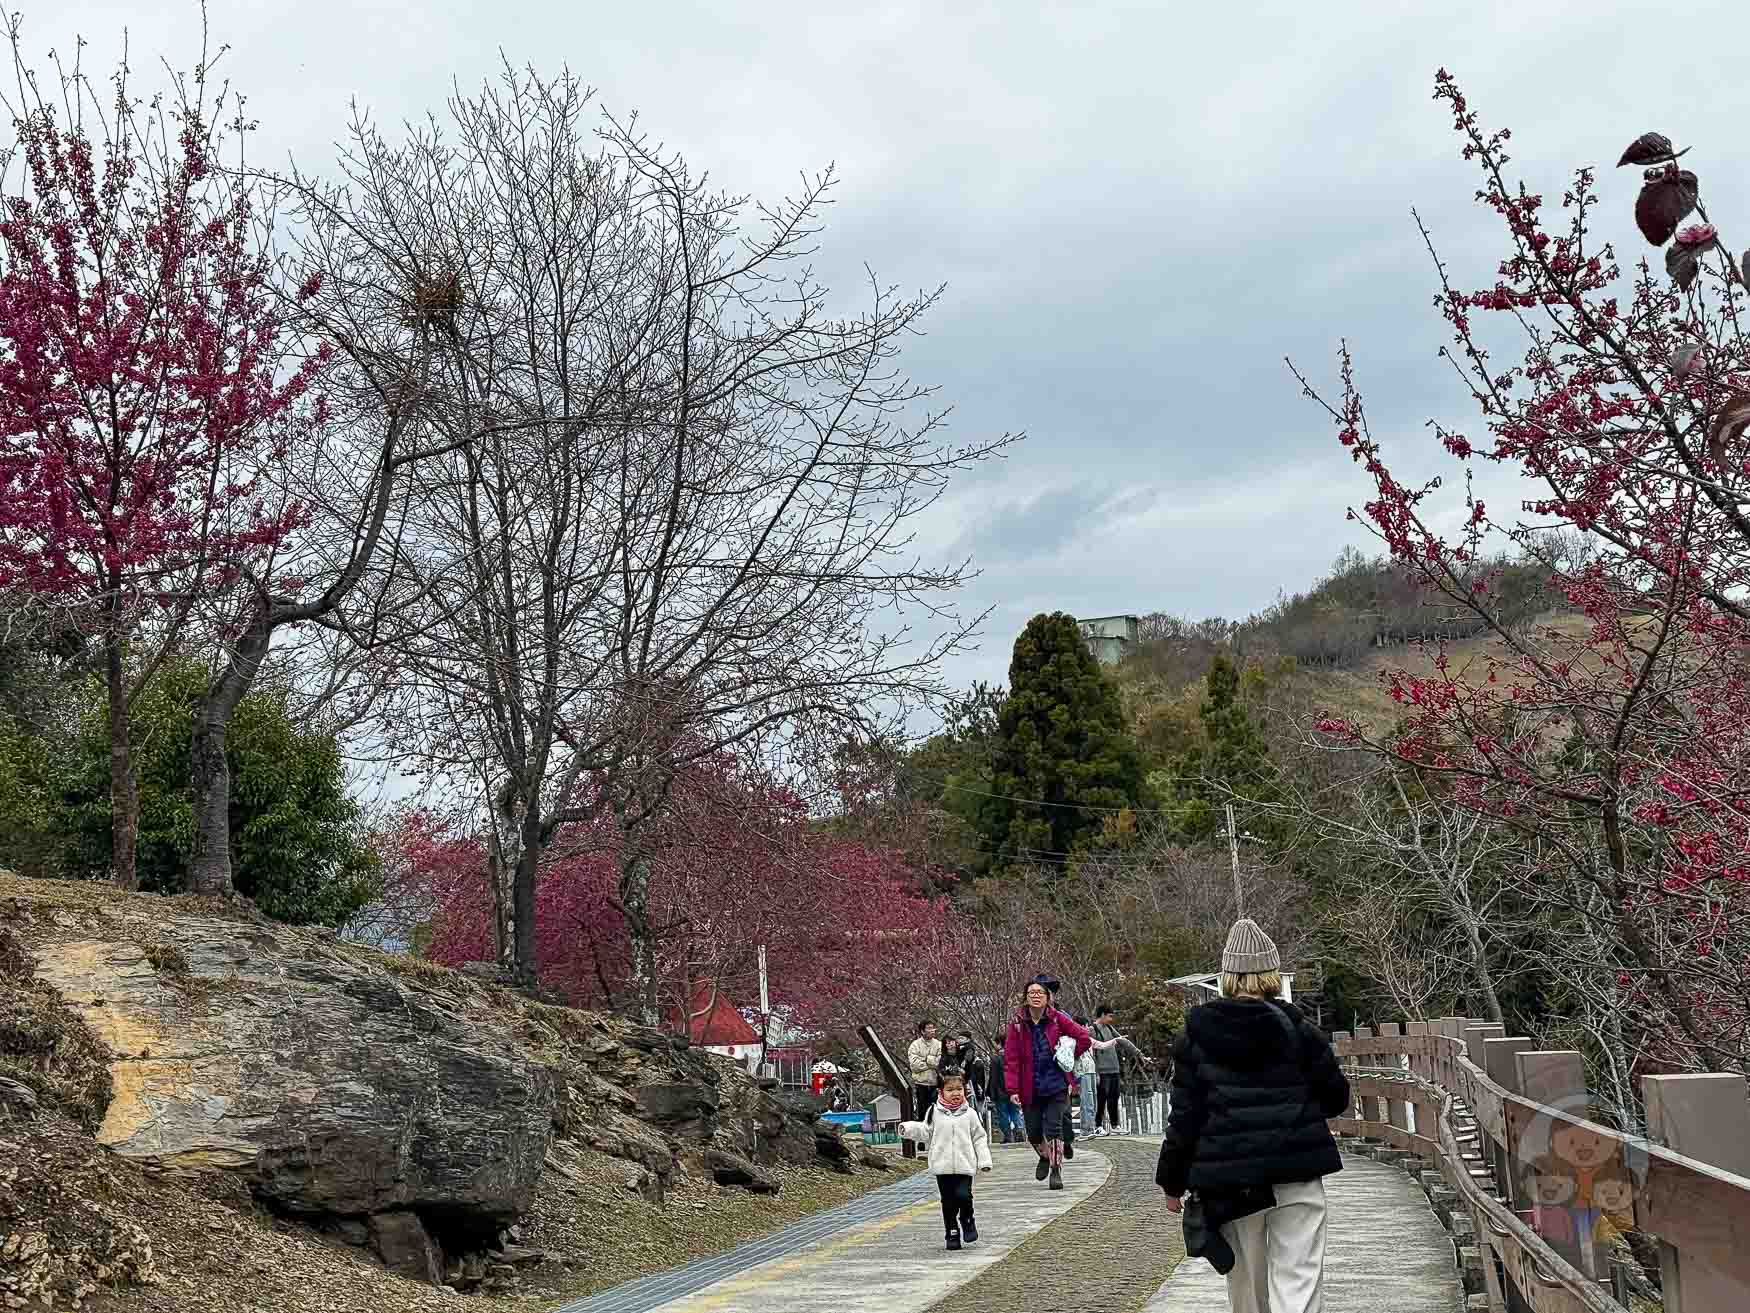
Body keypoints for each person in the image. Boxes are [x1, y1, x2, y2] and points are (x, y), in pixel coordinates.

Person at [1155, 919, 1351, 1313]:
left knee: (1247, 1290)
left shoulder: (1196, 1035)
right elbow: (1335, 1098)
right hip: (1296, 1170)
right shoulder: (1298, 1028)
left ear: (1226, 975)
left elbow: (1186, 1118)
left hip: (1232, 1182)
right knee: (1299, 1282)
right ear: (1271, 972)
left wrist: (1172, 1181)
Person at [1003, 975, 1091, 1190]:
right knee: (1033, 1131)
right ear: (1025, 997)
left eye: (1040, 992)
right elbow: (1011, 1058)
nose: (1035, 996)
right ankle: (1044, 1156)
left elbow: (1084, 1038)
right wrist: (1012, 1089)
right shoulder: (1017, 1024)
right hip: (1029, 1085)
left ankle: (1055, 1169)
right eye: (1031, 992)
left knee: (1053, 1128)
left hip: (1056, 1083)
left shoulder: (1057, 1018)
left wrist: (1068, 1056)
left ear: (1047, 997)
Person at [900, 1072, 993, 1250]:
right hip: (942, 1166)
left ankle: (967, 1219)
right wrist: (909, 1129)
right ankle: (951, 1231)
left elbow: (979, 1138)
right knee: (948, 1201)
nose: (955, 1093)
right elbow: (925, 1131)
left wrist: (984, 1161)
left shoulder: (970, 1114)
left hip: (965, 1165)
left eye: (959, 1089)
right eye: (950, 1090)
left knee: (964, 1196)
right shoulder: (933, 1112)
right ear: (941, 1091)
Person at [1091, 1003, 1148, 1136]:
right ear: (1102, 1015)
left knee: (1114, 1097)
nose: (1111, 1019)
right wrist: (1096, 1072)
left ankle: (1115, 1125)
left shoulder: (1109, 1028)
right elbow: (1091, 1052)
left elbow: (1123, 1041)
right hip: (1102, 1071)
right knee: (1101, 1099)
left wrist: (1139, 1053)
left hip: (1114, 1069)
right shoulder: (1092, 1030)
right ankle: (1098, 1125)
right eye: (1109, 1016)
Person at [986, 1033, 1023, 1144]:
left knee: (1003, 1114)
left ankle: (1008, 1135)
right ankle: (1019, 1129)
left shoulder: (996, 1059)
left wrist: (990, 1093)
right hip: (1014, 1090)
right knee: (1015, 1112)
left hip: (1000, 1092)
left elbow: (993, 1077)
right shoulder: (1014, 1056)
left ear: (999, 1043)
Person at [908, 1019, 944, 1124]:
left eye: (933, 1028)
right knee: (923, 1113)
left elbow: (940, 1062)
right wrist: (930, 1061)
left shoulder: (939, 1044)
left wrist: (925, 1060)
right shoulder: (915, 1045)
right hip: (921, 1084)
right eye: (929, 1028)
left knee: (936, 1113)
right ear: (922, 1031)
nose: (932, 1030)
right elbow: (914, 1065)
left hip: (935, 1084)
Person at [1074, 1016, 1099, 1136]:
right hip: (1082, 1072)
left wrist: (1116, 1040)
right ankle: (1086, 1129)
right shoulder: (1073, 1040)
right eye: (1085, 1025)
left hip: (1091, 1071)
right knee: (1086, 1101)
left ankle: (1091, 1127)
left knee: (1093, 1100)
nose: (1087, 1028)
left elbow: (1101, 1045)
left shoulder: (1088, 1039)